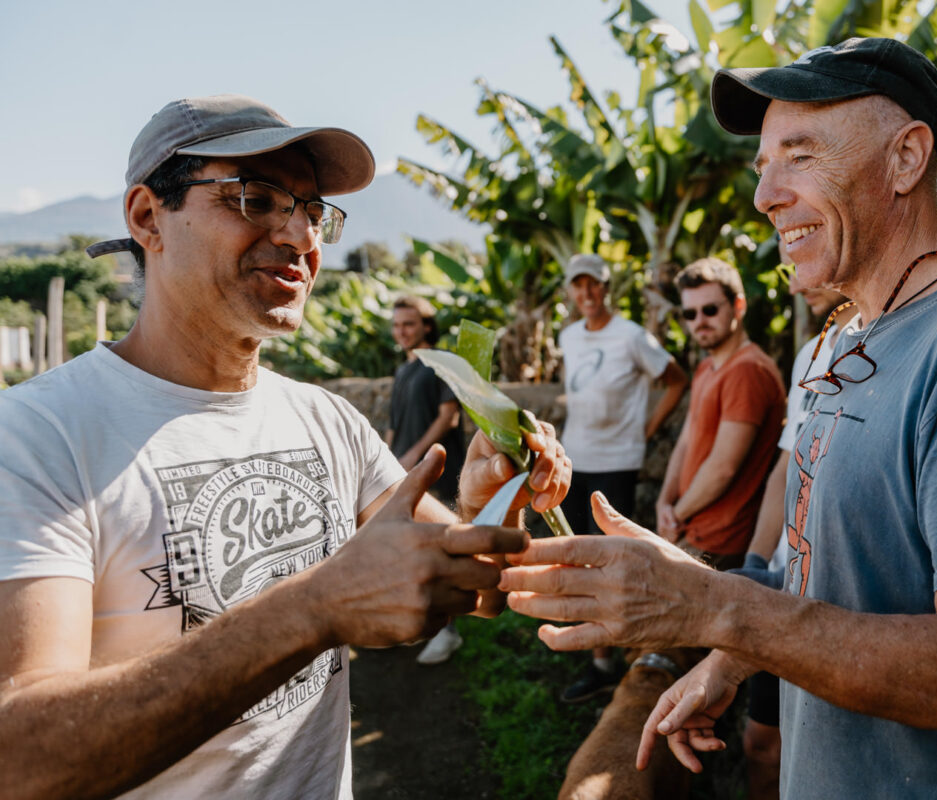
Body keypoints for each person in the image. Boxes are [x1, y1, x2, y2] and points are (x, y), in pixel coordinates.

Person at [500, 37, 937, 799]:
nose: (764, 196)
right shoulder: (835, 342)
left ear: (906, 158)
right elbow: (816, 569)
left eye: (801, 157)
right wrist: (727, 656)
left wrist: (715, 607)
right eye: (762, 166)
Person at [0, 94, 570, 800]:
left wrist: (493, 501)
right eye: (256, 197)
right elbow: (20, 760)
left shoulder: (325, 421)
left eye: (311, 208)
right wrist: (311, 608)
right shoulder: (34, 437)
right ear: (149, 217)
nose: (301, 235)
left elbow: (476, 582)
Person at [738, 254, 847, 800]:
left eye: (805, 261)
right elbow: (788, 465)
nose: (796, 281)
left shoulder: (891, 345)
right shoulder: (812, 351)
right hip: (782, 579)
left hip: (833, 601)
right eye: (787, 270)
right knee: (761, 740)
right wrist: (757, 563)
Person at [556, 253, 688, 703]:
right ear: (570, 291)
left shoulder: (633, 337)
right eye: (578, 286)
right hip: (574, 458)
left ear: (606, 287)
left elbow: (676, 379)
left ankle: (601, 665)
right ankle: (593, 643)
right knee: (574, 554)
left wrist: (646, 431)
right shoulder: (568, 335)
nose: (586, 294)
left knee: (604, 560)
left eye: (594, 285)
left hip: (616, 461)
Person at [654, 257, 786, 571]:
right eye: (690, 313)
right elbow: (685, 443)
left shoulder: (748, 371)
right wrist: (663, 502)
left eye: (710, 310)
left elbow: (723, 468)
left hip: (720, 542)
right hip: (689, 526)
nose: (700, 320)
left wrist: (676, 516)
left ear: (738, 306)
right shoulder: (706, 367)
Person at [386, 294, 468, 665]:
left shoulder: (443, 364)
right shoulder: (403, 370)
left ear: (427, 327)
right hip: (404, 470)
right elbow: (393, 425)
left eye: (409, 324)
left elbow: (448, 417)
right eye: (397, 325)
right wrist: (386, 460)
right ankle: (425, 621)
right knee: (413, 549)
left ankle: (449, 632)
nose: (401, 331)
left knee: (441, 550)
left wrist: (413, 455)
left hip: (437, 469)